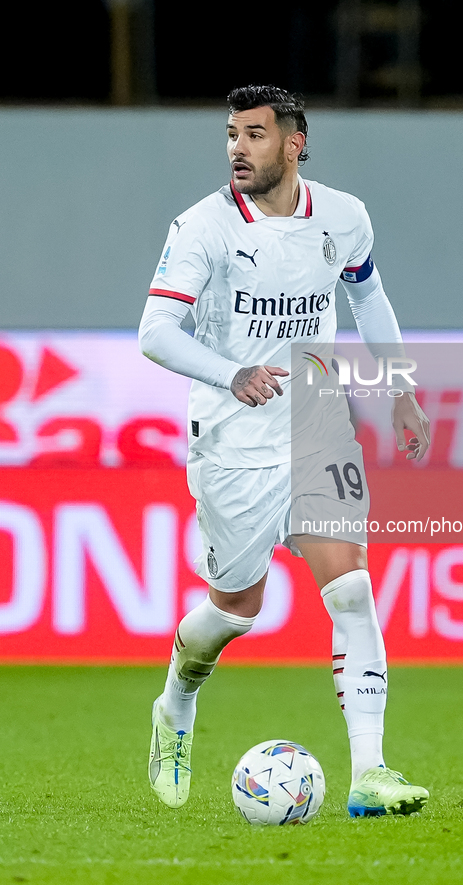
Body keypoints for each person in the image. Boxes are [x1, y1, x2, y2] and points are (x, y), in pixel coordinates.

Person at [139, 84, 431, 818]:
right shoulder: (203, 227)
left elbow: (367, 295)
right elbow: (154, 332)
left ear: (294, 144)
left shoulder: (343, 216)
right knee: (237, 606)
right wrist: (229, 372)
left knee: (352, 586)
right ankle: (175, 702)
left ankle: (371, 771)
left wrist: (400, 387)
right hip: (232, 438)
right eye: (231, 134)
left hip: (316, 421)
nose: (238, 148)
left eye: (255, 135)